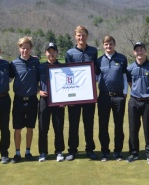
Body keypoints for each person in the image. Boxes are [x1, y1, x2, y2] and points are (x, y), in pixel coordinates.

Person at [65, 25, 98, 160]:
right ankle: (72, 150)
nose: (81, 37)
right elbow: (67, 75)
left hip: (89, 94)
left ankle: (90, 149)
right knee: (73, 123)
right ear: (75, 36)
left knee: (88, 123)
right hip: (74, 95)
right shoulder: (70, 53)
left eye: (83, 35)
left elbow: (96, 70)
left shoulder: (93, 51)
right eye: (79, 35)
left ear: (87, 36)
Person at [126, 42, 149, 165]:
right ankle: (134, 153)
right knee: (133, 128)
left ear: (145, 51)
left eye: (141, 49)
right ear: (134, 52)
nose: (139, 52)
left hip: (148, 103)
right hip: (134, 101)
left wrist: (147, 93)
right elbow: (131, 84)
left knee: (148, 128)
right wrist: (138, 93)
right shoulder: (130, 68)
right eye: (137, 50)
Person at [96, 36, 128, 162]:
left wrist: (125, 93)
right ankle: (105, 152)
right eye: (106, 44)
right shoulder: (99, 61)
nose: (108, 46)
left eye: (110, 44)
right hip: (103, 96)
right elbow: (95, 78)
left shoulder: (122, 58)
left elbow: (125, 77)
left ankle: (118, 151)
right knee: (103, 125)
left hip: (119, 96)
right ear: (103, 45)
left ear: (114, 45)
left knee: (118, 125)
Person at [9, 36, 40, 163]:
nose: (24, 50)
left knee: (30, 128)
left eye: (27, 48)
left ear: (30, 48)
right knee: (17, 128)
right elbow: (8, 80)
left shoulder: (35, 62)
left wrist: (39, 89)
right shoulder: (14, 64)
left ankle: (28, 151)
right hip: (19, 100)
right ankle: (17, 153)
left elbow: (40, 79)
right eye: (22, 48)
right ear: (19, 48)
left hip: (32, 100)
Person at [38, 43, 65, 162]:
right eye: (49, 51)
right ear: (46, 53)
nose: (51, 53)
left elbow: (67, 85)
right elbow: (34, 82)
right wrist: (39, 91)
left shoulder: (63, 67)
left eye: (53, 51)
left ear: (57, 53)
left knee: (58, 127)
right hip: (44, 100)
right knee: (43, 127)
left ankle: (59, 151)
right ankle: (43, 152)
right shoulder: (40, 67)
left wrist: (65, 100)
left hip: (58, 101)